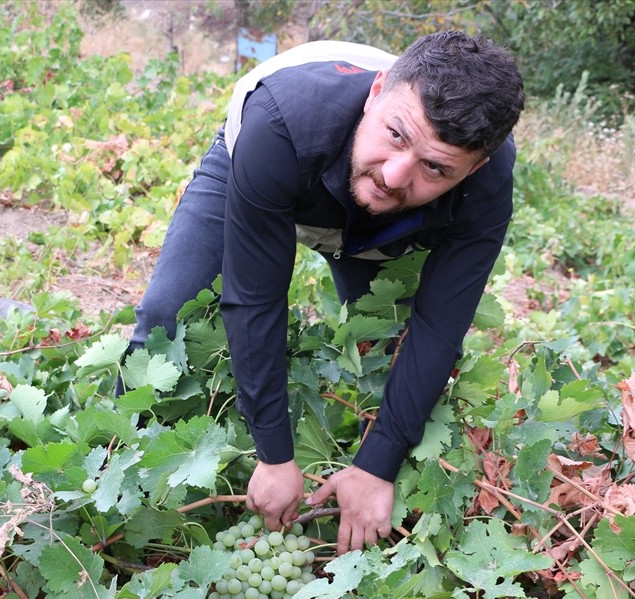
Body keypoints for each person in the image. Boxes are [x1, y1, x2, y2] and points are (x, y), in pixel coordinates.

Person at [128, 32, 525, 554]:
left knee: (386, 351)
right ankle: (126, 467)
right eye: (397, 136)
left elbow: (438, 326)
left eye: (435, 167)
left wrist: (377, 466)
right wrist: (273, 455)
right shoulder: (280, 122)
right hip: (285, 165)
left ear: (471, 168)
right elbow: (256, 296)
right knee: (166, 314)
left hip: (393, 229)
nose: (393, 173)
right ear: (377, 90)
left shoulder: (485, 183)